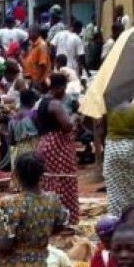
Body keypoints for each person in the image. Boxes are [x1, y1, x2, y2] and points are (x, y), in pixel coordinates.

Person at [36, 74, 79, 224]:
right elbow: (67, 126)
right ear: (58, 88)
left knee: (50, 179)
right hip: (57, 145)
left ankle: (50, 217)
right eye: (64, 88)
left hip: (45, 143)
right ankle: (67, 218)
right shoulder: (55, 104)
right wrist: (74, 115)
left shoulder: (41, 102)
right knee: (64, 179)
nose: (65, 92)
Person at [103, 101, 134, 217]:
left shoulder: (108, 107)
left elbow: (102, 130)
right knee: (133, 182)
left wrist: (105, 148)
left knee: (114, 184)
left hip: (111, 146)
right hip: (129, 147)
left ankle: (116, 214)